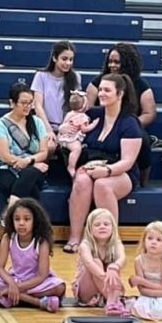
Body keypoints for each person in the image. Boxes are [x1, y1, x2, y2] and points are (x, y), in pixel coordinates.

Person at [65, 73, 142, 253]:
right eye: (100, 89)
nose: (101, 93)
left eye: (107, 90)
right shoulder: (93, 114)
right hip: (92, 164)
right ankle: (75, 237)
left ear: (120, 94)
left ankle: (110, 243)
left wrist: (106, 170)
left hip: (120, 172)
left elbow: (127, 162)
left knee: (102, 185)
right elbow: (71, 129)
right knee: (81, 181)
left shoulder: (130, 123)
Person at [85, 43, 157, 186]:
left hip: (129, 125)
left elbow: (149, 113)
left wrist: (129, 125)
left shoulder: (141, 85)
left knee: (143, 138)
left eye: (117, 62)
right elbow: (89, 108)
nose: (112, 65)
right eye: (110, 61)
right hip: (101, 124)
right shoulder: (98, 82)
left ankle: (143, 181)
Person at [0, 198, 65, 312]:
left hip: (36, 282)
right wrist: (12, 284)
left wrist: (16, 288)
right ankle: (37, 302)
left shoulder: (41, 242)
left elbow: (42, 276)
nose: (21, 223)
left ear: (35, 220)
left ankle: (10, 295)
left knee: (59, 287)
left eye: (27, 219)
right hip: (15, 279)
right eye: (17, 219)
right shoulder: (8, 238)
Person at [0, 83, 51, 223]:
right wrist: (26, 164)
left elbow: (43, 152)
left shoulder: (37, 123)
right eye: (23, 103)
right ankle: (38, 227)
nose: (27, 106)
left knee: (30, 173)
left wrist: (28, 162)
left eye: (30, 103)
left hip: (33, 168)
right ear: (12, 103)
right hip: (6, 169)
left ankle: (10, 211)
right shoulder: (1, 124)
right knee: (30, 187)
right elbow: (4, 155)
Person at [72, 208, 129, 316]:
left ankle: (112, 301)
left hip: (104, 292)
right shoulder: (85, 245)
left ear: (113, 228)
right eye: (97, 225)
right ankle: (114, 301)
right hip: (86, 293)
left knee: (113, 266)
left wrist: (114, 267)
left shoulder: (116, 243)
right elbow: (89, 263)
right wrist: (106, 278)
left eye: (106, 224)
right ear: (90, 229)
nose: (102, 227)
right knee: (96, 262)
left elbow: (122, 258)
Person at [31, 40, 81, 144]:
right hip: (45, 126)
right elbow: (38, 105)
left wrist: (66, 127)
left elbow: (76, 107)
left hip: (67, 126)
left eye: (71, 60)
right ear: (54, 58)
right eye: (64, 59)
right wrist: (49, 130)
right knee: (49, 146)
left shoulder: (75, 77)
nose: (68, 63)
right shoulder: (41, 76)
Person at [57, 91, 99, 178]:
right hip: (71, 139)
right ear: (84, 105)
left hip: (63, 138)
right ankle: (71, 166)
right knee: (76, 149)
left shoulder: (69, 113)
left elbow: (64, 123)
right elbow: (84, 129)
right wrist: (94, 124)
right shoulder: (82, 117)